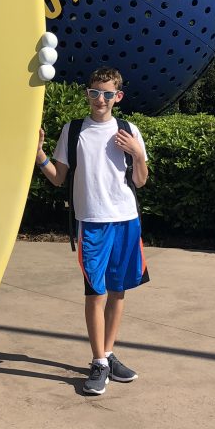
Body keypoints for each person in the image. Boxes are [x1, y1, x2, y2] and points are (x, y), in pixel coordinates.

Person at [36, 67, 149, 395]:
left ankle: (109, 353)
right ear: (87, 94)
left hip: (127, 219)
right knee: (95, 293)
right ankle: (98, 361)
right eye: (94, 93)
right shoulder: (74, 132)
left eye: (107, 94)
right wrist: (39, 154)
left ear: (118, 96)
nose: (100, 99)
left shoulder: (129, 131)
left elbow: (140, 180)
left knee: (118, 291)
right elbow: (58, 178)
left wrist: (138, 154)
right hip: (92, 222)